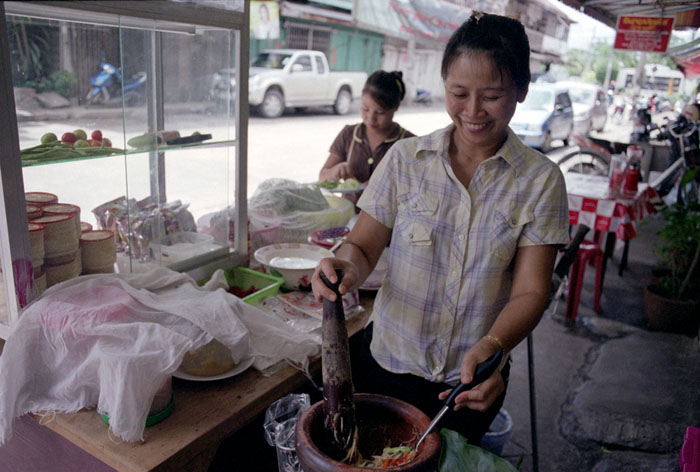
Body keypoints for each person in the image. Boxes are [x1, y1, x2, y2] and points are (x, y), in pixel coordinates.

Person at [311, 11, 569, 446]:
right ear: (444, 83)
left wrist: (495, 345)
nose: (472, 111)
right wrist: (344, 267)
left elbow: (530, 290)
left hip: (468, 385)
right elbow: (363, 246)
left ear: (522, 90)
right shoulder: (406, 160)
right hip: (386, 363)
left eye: (491, 95)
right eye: (459, 92)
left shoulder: (541, 181)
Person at [318, 70, 414, 188]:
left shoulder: (409, 143)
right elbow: (322, 178)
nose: (371, 118)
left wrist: (384, 189)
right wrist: (334, 172)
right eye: (365, 109)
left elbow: (417, 188)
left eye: (380, 113)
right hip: (348, 206)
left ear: (397, 106)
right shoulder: (349, 134)